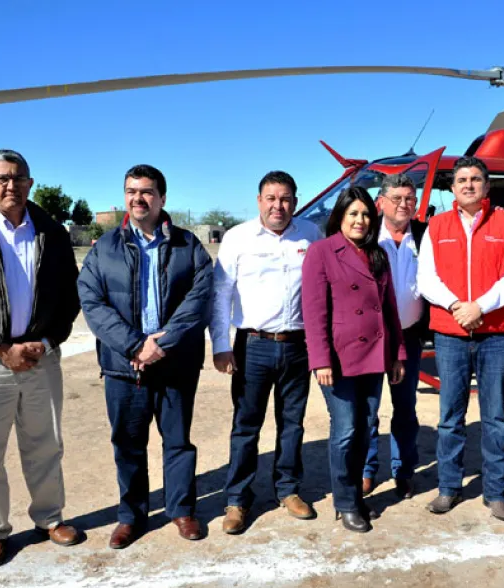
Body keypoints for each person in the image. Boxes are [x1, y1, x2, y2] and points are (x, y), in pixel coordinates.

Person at [78, 164, 212, 549]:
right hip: (125, 367)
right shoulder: (104, 248)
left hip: (176, 364)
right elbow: (93, 301)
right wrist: (135, 345)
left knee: (178, 442)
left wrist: (161, 344)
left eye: (147, 191)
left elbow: (199, 300)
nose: (138, 198)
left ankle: (182, 510)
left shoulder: (189, 246)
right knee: (128, 444)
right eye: (131, 191)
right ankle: (131, 516)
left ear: (162, 198)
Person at [0, 150, 82, 568]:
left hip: (40, 357)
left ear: (30, 182)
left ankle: (50, 519)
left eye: (18, 178)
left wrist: (49, 342)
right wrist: (0, 347)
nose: (10, 186)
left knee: (45, 444)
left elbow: (69, 297)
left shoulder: (50, 232)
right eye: (1, 178)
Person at [211, 171, 322, 535]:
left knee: (293, 423)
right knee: (246, 426)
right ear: (259, 200)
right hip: (252, 345)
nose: (279, 205)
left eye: (286, 198)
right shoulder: (237, 238)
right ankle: (237, 499)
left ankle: (288, 489)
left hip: (298, 345)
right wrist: (221, 345)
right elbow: (220, 294)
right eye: (271, 198)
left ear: (295, 200)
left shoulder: (311, 234)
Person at [417, 156, 504, 521]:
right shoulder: (437, 225)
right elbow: (427, 277)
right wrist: (455, 305)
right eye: (462, 179)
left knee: (494, 416)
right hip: (450, 332)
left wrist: (479, 306)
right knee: (451, 415)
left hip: (495, 333)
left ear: (486, 186)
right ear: (452, 188)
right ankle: (449, 487)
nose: (468, 185)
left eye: (475, 179)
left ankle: (496, 492)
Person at [302, 187, 406, 533]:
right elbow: (314, 312)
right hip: (339, 359)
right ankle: (345, 502)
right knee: (345, 430)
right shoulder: (321, 252)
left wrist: (397, 354)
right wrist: (321, 360)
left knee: (365, 428)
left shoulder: (378, 255)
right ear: (340, 218)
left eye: (365, 215)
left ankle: (356, 496)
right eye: (353, 214)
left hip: (374, 356)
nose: (360, 221)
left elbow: (390, 309)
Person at [362, 174, 427, 499]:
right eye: (397, 198)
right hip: (373, 340)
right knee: (369, 408)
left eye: (410, 199)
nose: (404, 205)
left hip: (411, 338)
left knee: (405, 407)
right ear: (381, 203)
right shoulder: (366, 237)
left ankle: (404, 470)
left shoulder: (424, 234)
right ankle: (367, 470)